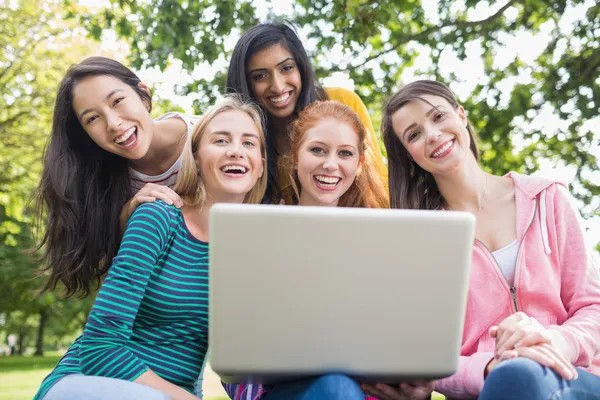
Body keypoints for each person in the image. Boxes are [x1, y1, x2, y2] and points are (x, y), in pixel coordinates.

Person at [34, 95, 268, 400]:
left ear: (261, 165)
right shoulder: (159, 216)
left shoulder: (251, 253)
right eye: (221, 141)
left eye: (249, 143)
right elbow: (100, 347)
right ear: (195, 157)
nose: (236, 151)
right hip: (86, 382)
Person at [381, 79, 600, 399]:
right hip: (489, 388)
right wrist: (485, 369)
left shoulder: (547, 199)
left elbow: (593, 306)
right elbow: (427, 354)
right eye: (414, 134)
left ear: (461, 115)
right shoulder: (422, 242)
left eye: (438, 117)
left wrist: (554, 342)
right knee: (515, 378)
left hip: (574, 377)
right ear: (410, 156)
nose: (432, 134)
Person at [222, 103, 432, 400]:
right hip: (285, 392)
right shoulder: (259, 233)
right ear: (295, 157)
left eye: (344, 153)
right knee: (337, 388)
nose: (331, 164)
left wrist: (415, 388)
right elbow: (235, 366)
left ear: (359, 164)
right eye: (318, 150)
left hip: (369, 391)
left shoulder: (382, 241)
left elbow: (401, 339)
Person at [34, 56, 198, 298]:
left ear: (143, 94)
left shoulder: (212, 138)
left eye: (118, 101)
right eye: (92, 119)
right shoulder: (103, 185)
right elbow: (120, 283)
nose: (113, 123)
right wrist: (126, 217)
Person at [226, 22, 388, 204]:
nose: (278, 87)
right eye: (260, 76)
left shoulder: (342, 101)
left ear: (301, 67)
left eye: (286, 68)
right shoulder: (243, 137)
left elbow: (378, 185)